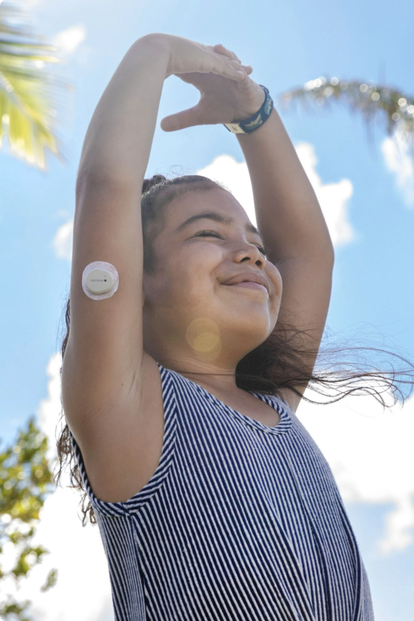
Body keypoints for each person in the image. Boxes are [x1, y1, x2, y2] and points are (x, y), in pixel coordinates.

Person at [59, 33, 376, 620]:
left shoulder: (272, 401)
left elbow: (307, 255)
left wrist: (253, 114)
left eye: (256, 244)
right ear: (136, 280)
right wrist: (156, 54)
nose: (253, 254)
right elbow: (106, 186)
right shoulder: (127, 410)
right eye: (208, 234)